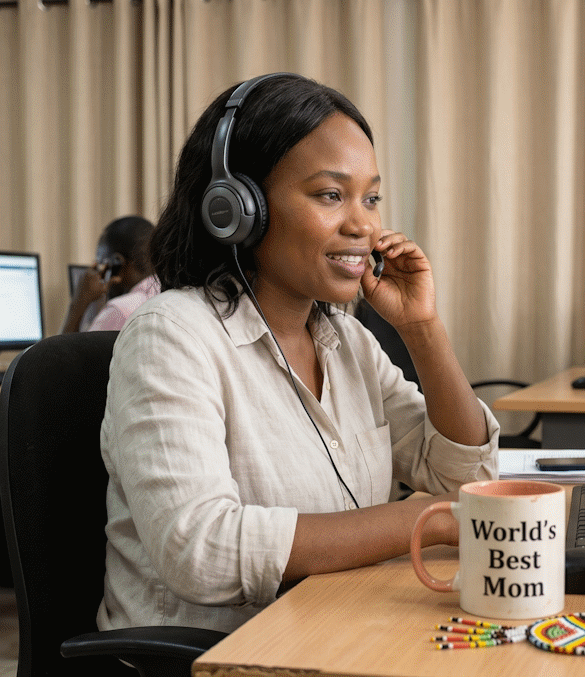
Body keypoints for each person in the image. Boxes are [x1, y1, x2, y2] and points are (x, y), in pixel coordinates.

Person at [97, 73, 500, 634]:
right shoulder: (170, 337)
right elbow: (200, 549)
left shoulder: (347, 340)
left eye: (372, 197)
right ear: (238, 207)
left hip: (337, 630)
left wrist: (423, 328)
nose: (363, 224)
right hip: (217, 660)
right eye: (330, 195)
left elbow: (465, 480)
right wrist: (419, 523)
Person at [60, 215, 160, 332]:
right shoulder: (169, 296)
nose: (100, 272)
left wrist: (78, 303)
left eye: (101, 263)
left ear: (117, 263)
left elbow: (58, 350)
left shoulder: (119, 311)